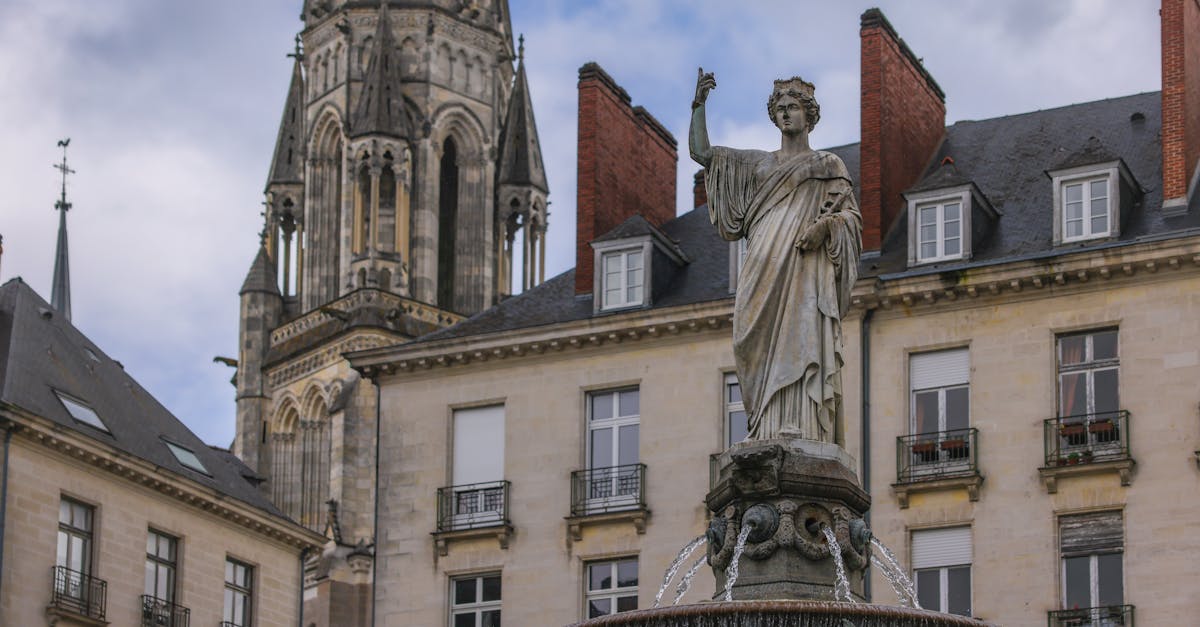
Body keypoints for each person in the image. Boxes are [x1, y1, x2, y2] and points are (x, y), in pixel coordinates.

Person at [690, 69, 861, 444]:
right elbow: (702, 153)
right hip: (761, 268)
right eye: (780, 108)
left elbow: (850, 218)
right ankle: (761, 426)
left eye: (794, 108)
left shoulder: (828, 166)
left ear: (809, 115)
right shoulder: (757, 165)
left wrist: (826, 228)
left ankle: (801, 426)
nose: (786, 114)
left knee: (801, 340)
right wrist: (699, 105)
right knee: (752, 345)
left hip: (803, 270)